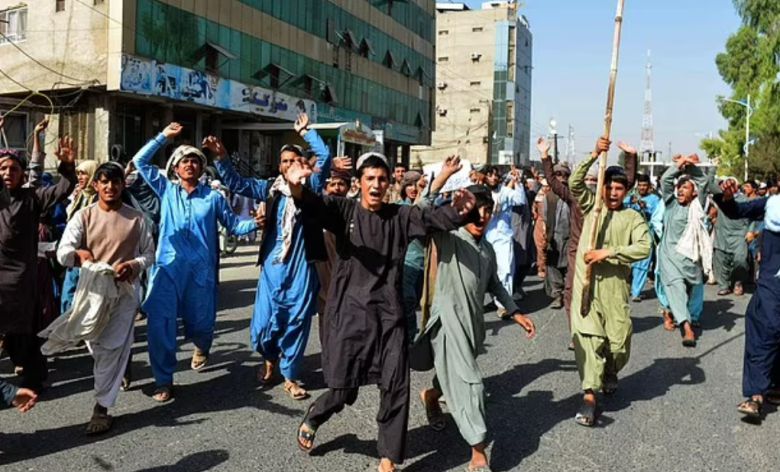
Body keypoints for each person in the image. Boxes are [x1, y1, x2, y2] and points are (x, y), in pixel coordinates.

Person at [291, 152, 475, 472]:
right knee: (342, 388)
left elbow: (431, 219)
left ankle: (388, 456)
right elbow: (314, 206)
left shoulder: (400, 216)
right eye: (370, 179)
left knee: (396, 385)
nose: (376, 185)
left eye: (382, 179)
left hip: (389, 316)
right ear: (359, 183)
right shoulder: (344, 210)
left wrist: (460, 210)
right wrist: (297, 187)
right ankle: (316, 415)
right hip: (350, 315)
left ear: (389, 184)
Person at [211, 113, 332, 399]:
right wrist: (221, 157)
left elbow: (325, 156)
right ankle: (269, 358)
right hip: (273, 266)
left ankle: (290, 375)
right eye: (286, 161)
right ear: (279, 166)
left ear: (304, 165)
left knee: (297, 321)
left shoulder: (312, 187)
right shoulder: (269, 188)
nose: (291, 164)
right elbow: (236, 183)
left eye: (296, 160)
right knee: (265, 323)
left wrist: (307, 132)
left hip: (303, 266)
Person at [133, 122, 257, 402]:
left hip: (201, 272)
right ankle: (163, 380)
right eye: (184, 161)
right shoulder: (166, 190)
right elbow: (140, 161)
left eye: (195, 161)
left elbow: (235, 225)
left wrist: (256, 223)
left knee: (201, 325)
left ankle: (202, 345)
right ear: (175, 168)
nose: (189, 165)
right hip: (167, 270)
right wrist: (163, 137)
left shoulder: (213, 197)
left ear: (201, 168)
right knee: (160, 325)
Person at [418, 184, 536, 472]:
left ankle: (431, 395)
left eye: (486, 211)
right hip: (448, 325)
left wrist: (516, 312)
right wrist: (440, 182)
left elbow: (495, 284)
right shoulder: (449, 239)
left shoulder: (487, 249)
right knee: (472, 384)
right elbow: (421, 214)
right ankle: (478, 450)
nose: (481, 217)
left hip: (472, 327)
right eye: (475, 211)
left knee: (454, 374)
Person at [56, 162, 155, 434]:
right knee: (98, 346)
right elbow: (63, 252)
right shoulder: (83, 216)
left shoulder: (137, 219)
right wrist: (79, 255)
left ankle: (101, 407)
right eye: (104, 181)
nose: (110, 187)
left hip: (125, 293)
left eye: (115, 181)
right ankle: (118, 370)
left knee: (112, 348)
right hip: (92, 292)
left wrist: (133, 265)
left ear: (123, 185)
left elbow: (149, 254)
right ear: (96, 185)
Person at [568, 137, 651, 427]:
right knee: (589, 340)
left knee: (618, 344)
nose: (613, 193)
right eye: (609, 187)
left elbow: (644, 247)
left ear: (625, 191)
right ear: (602, 188)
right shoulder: (591, 207)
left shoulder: (632, 218)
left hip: (616, 290)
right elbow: (574, 183)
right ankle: (589, 396)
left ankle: (611, 370)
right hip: (587, 288)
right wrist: (594, 154)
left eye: (619, 189)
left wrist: (609, 252)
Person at [0, 136, 77, 393]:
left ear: (23, 174)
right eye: (2, 168)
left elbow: (64, 188)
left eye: (13, 168)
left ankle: (34, 378)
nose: (8, 173)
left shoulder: (32, 197)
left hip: (21, 280)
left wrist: (67, 166)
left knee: (23, 332)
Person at [538, 137, 638, 318]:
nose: (591, 182)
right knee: (572, 291)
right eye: (588, 179)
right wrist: (545, 155)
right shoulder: (574, 197)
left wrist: (631, 156)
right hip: (577, 251)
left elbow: (627, 183)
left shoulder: (605, 201)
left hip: (601, 252)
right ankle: (575, 328)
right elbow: (552, 181)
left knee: (602, 293)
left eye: (594, 180)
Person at [714, 181, 780, 419]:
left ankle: (775, 384)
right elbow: (736, 211)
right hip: (773, 283)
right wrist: (727, 197)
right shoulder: (772, 205)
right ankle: (756, 395)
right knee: (764, 329)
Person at [656, 154, 712, 347]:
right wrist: (679, 165)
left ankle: (676, 313)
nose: (679, 190)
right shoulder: (670, 203)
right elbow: (665, 180)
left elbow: (703, 181)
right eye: (678, 187)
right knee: (676, 288)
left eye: (685, 187)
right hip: (669, 257)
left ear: (694, 193)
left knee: (694, 287)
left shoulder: (698, 205)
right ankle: (687, 328)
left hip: (690, 259)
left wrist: (690, 167)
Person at [483, 166, 528, 317]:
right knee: (487, 272)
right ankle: (493, 300)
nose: (493, 178)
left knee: (506, 270)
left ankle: (504, 306)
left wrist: (517, 182)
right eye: (490, 175)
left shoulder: (505, 191)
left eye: (496, 175)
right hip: (485, 238)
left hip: (503, 238)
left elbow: (519, 200)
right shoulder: (481, 192)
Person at [60, 159, 99, 314]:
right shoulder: (80, 196)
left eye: (84, 173)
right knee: (68, 296)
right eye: (78, 174)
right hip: (75, 253)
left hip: (92, 255)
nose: (80, 177)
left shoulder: (100, 198)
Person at [626, 174, 662, 302]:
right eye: (640, 185)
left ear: (649, 186)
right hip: (629, 235)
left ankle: (636, 292)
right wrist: (630, 201)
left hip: (646, 234)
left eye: (644, 185)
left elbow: (657, 215)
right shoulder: (630, 197)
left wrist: (645, 207)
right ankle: (628, 288)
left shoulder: (655, 199)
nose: (642, 188)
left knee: (642, 263)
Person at [713, 177, 751, 296]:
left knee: (740, 260)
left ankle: (738, 282)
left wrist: (750, 231)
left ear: (736, 187)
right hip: (722, 234)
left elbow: (752, 218)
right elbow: (710, 184)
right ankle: (723, 285)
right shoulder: (720, 198)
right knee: (720, 261)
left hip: (739, 235)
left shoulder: (744, 200)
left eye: (731, 184)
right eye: (726, 184)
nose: (728, 187)